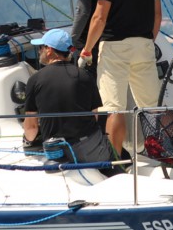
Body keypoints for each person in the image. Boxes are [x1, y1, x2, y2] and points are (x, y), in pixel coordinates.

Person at [79, 0, 163, 155]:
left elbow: (99, 17)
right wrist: (147, 41)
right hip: (144, 45)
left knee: (114, 108)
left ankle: (114, 163)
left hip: (114, 48)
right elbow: (157, 15)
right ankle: (160, 154)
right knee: (151, 107)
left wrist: (87, 50)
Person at [23, 29, 112, 164]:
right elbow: (94, 116)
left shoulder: (35, 80)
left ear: (49, 50)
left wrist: (27, 141)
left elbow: (31, 128)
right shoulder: (84, 75)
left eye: (41, 47)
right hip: (91, 149)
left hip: (59, 151)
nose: (39, 51)